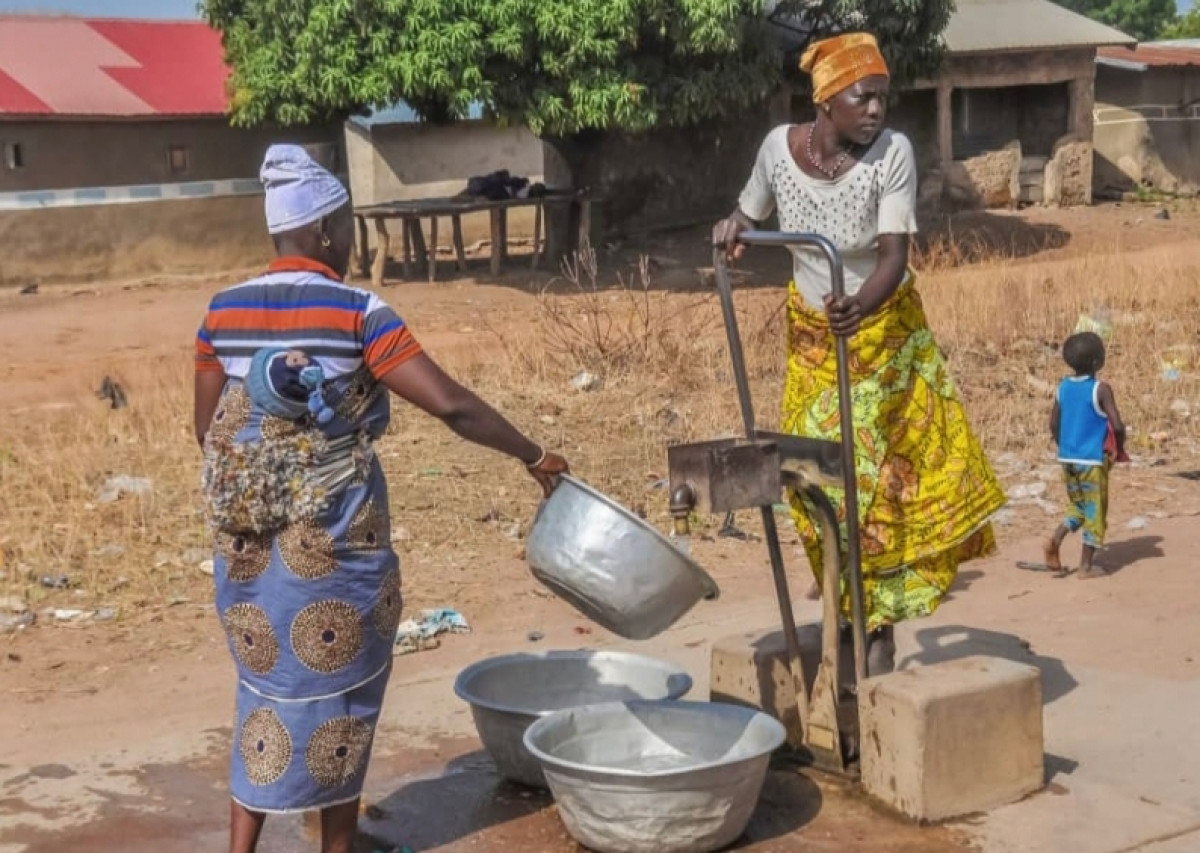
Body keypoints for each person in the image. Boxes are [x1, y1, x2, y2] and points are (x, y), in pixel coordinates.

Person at [193, 144, 568, 853]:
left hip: (245, 553)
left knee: (264, 693)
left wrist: (268, 483)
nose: (352, 240)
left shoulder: (222, 311)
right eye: (348, 226)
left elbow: (207, 431)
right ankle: (337, 847)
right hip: (332, 551)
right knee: (339, 701)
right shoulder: (357, 311)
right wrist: (532, 453)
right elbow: (451, 405)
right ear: (325, 230)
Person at [714, 33, 1005, 676]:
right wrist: (734, 227)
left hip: (881, 334)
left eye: (882, 98)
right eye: (862, 97)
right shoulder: (778, 149)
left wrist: (859, 307)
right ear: (825, 100)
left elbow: (894, 258)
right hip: (812, 339)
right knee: (805, 473)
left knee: (867, 484)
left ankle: (876, 626)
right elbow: (747, 213)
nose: (876, 110)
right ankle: (846, 605)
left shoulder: (892, 154)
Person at [1044, 331, 1126, 579]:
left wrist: (1064, 446)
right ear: (1096, 362)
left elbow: (1053, 423)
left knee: (1079, 506)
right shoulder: (1101, 389)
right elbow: (1117, 425)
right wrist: (1119, 447)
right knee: (1095, 512)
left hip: (1068, 459)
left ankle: (1055, 539)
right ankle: (1086, 566)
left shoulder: (1063, 387)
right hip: (1092, 461)